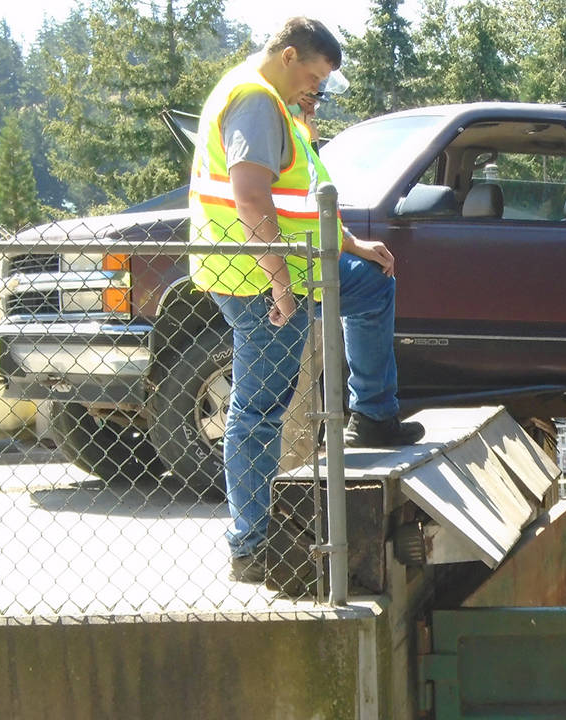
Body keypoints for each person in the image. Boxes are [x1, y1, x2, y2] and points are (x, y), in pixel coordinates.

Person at [188, 17, 425, 583]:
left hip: (296, 264)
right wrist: (277, 280)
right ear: (290, 55)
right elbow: (249, 197)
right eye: (314, 79)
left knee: (371, 285)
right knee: (258, 411)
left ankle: (372, 415)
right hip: (257, 278)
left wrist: (350, 244)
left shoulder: (277, 103)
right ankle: (251, 545)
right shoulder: (254, 100)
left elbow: (305, 196)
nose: (314, 92)